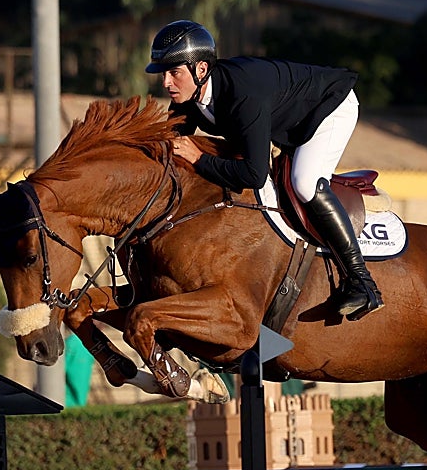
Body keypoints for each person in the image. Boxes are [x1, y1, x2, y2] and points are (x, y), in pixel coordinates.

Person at [145, 20, 383, 320]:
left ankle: (362, 283)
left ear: (201, 69)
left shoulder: (242, 94)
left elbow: (253, 175)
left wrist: (199, 160)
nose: (166, 83)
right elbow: (172, 142)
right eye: (164, 74)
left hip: (329, 108)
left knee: (305, 182)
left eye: (173, 72)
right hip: (289, 121)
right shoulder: (188, 97)